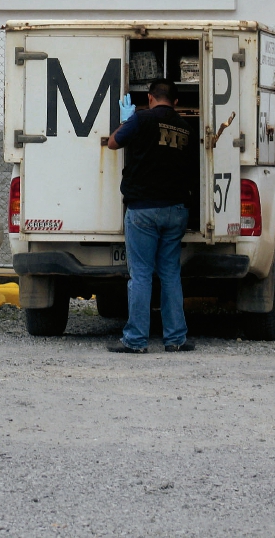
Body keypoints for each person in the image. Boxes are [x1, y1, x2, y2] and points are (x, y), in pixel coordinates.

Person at [105, 79, 197, 354]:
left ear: (149, 98)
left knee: (142, 275)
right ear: (176, 102)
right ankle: (176, 339)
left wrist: (126, 121)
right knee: (170, 274)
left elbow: (112, 143)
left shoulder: (141, 119)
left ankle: (135, 340)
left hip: (143, 209)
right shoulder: (186, 127)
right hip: (177, 209)